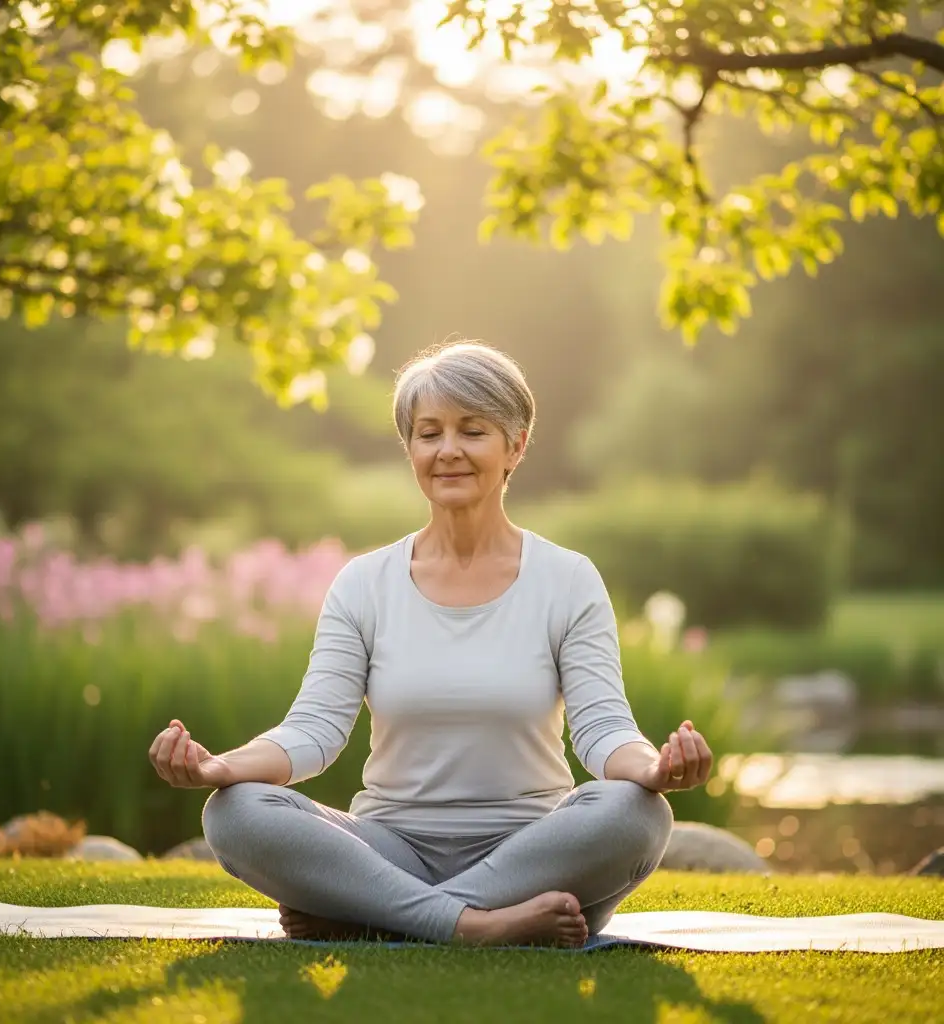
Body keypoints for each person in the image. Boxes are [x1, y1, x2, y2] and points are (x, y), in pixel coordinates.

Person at [148, 341, 713, 948]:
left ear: (515, 446)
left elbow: (604, 733)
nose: (448, 450)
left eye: (473, 431)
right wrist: (219, 766)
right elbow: (312, 732)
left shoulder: (568, 580)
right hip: (390, 848)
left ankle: (380, 916)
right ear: (410, 449)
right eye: (428, 433)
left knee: (637, 812)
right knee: (234, 812)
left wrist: (654, 768)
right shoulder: (364, 583)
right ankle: (479, 925)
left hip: (531, 852)